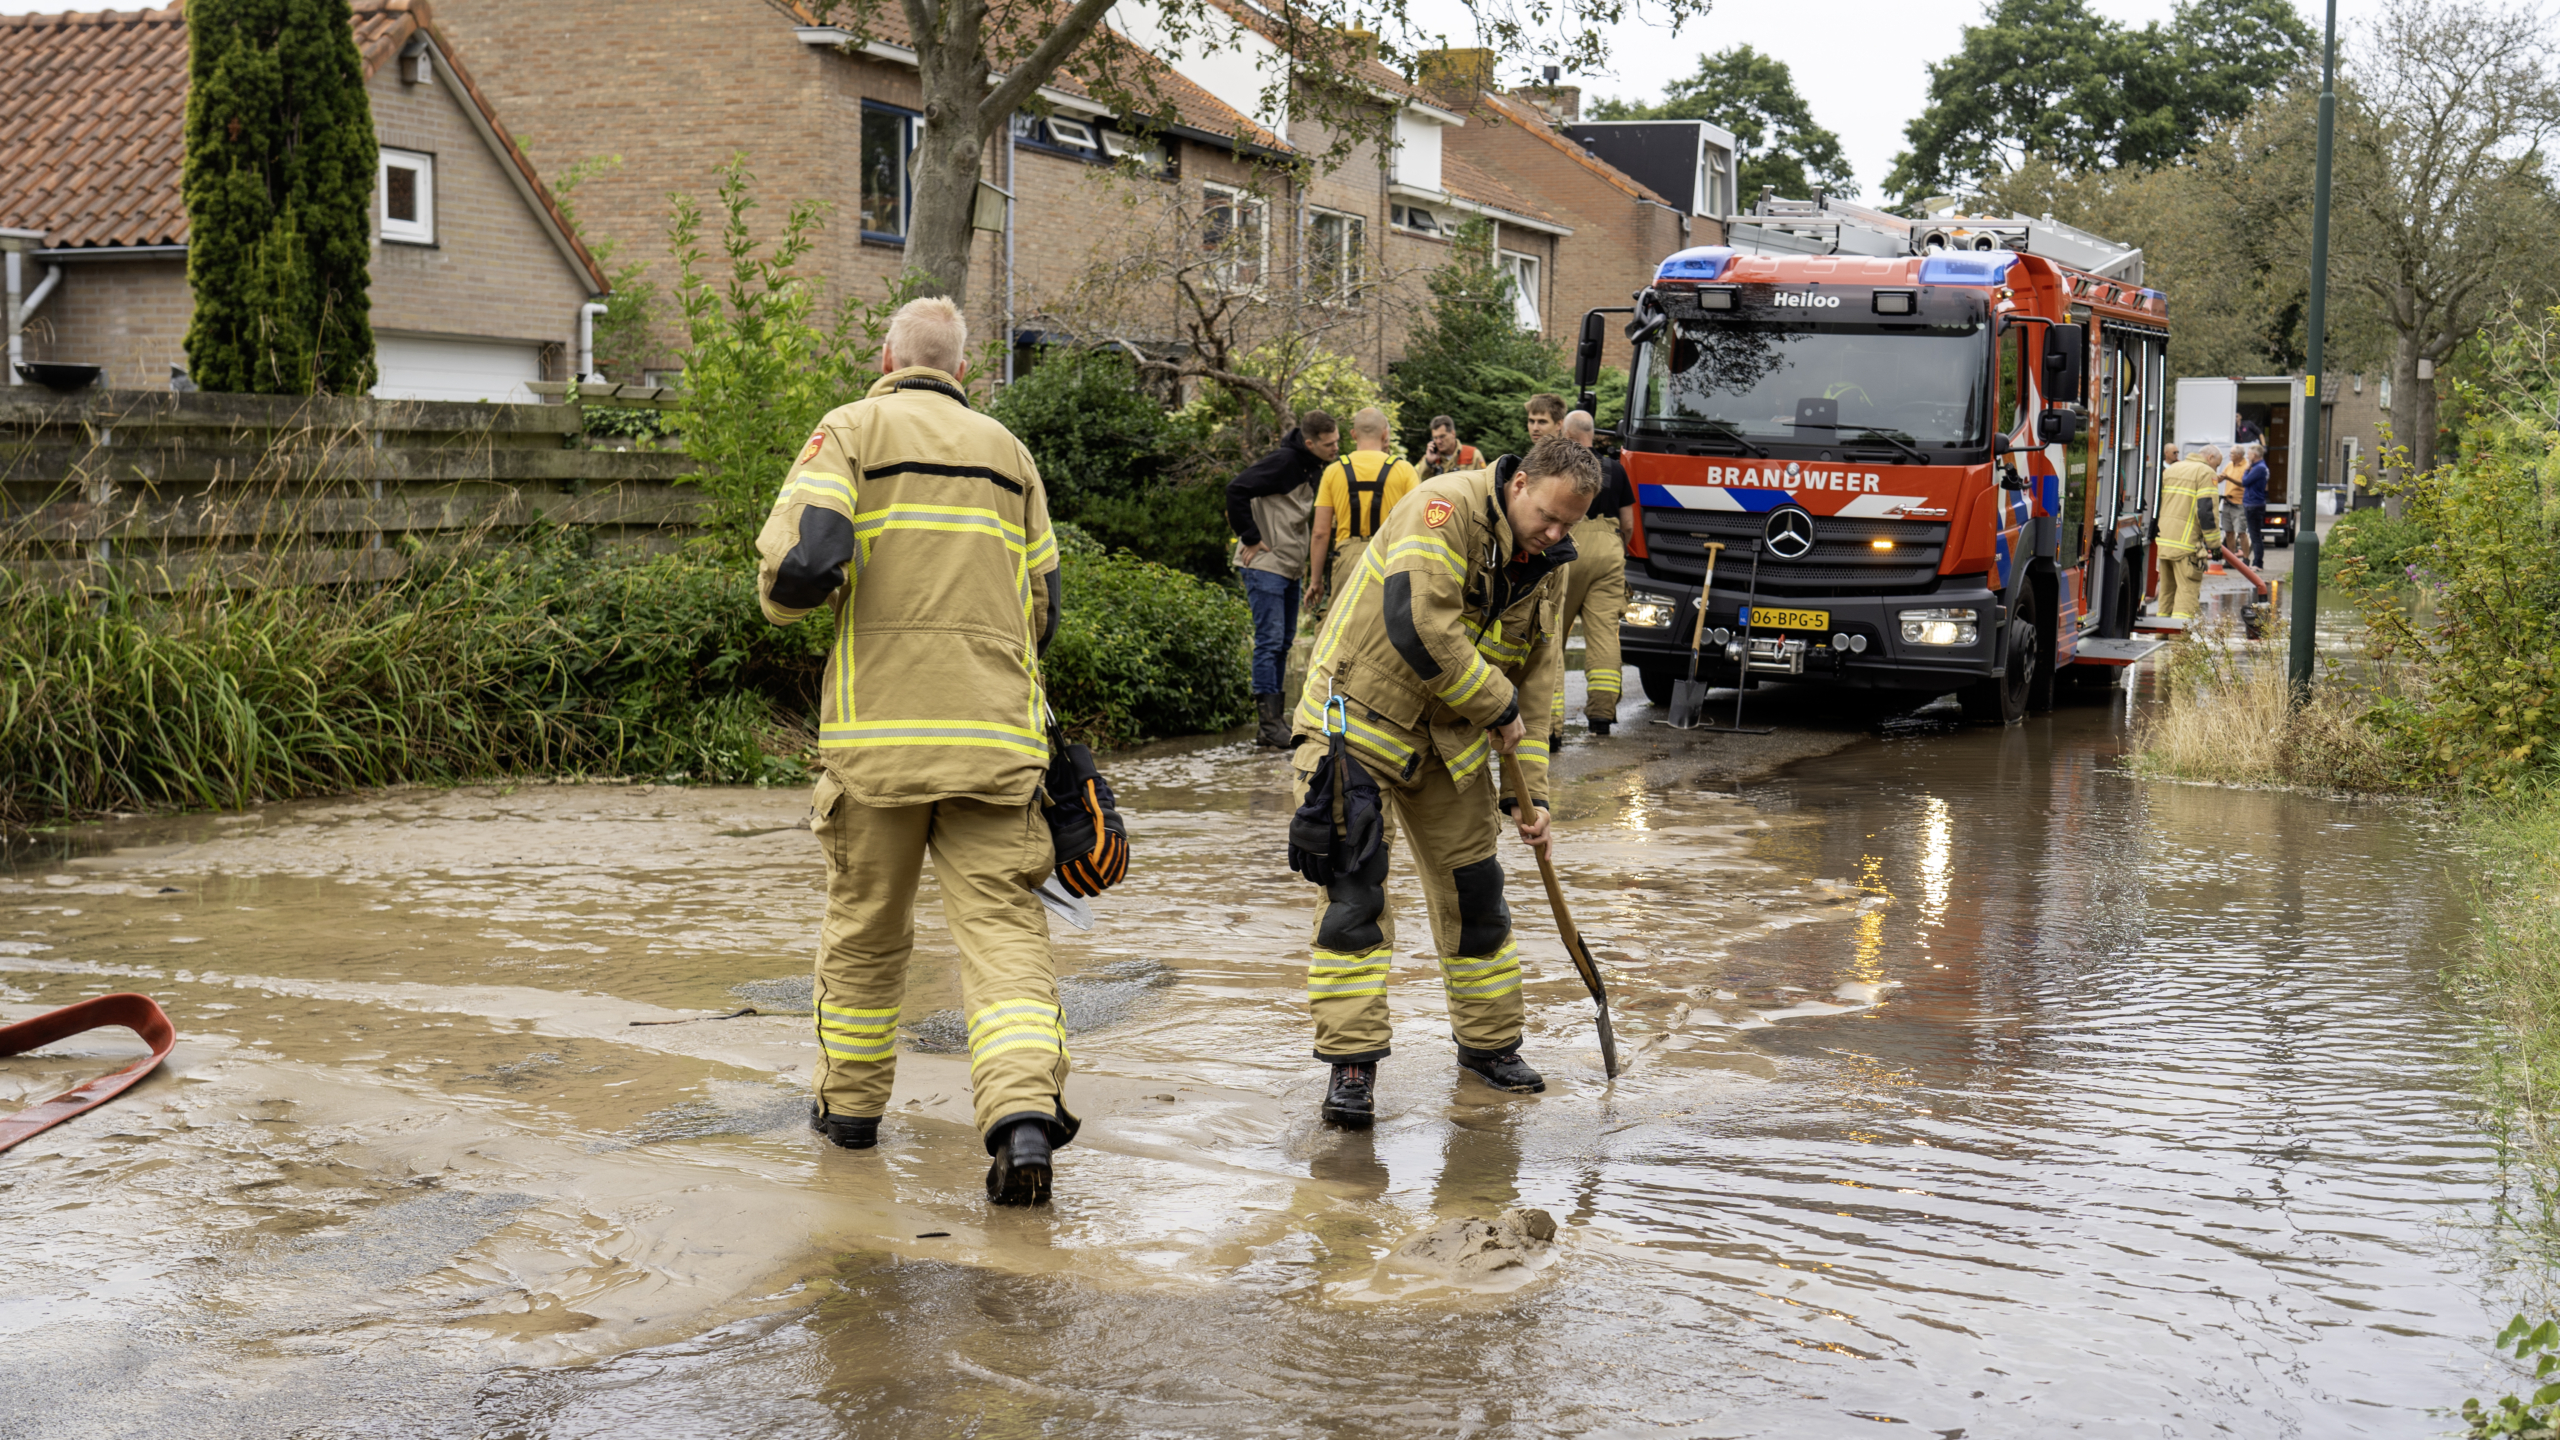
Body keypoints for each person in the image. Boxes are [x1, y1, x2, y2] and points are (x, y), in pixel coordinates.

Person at [755, 296, 1074, 1207]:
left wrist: (796, 604)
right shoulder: (1009, 454)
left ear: (887, 355)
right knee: (1005, 938)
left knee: (865, 932)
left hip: (877, 747)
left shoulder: (850, 429)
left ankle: (850, 1116)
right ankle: (1021, 1121)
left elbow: (801, 565)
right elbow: (1045, 606)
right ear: (965, 371)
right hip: (994, 741)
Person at [1288, 434, 1605, 1128]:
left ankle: (1489, 1048)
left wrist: (1537, 796)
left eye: (1568, 526)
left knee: (1477, 894)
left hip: (1449, 742)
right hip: (1357, 725)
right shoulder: (1441, 509)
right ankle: (1352, 1065)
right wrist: (1497, 704)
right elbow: (1418, 625)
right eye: (1548, 517)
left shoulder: (1548, 564)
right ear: (1519, 483)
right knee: (1355, 899)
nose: (1554, 534)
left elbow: (1540, 681)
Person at [1227, 411, 1341, 748]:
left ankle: (1276, 722)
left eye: (1337, 440)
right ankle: (1268, 725)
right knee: (1270, 642)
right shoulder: (1285, 462)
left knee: (1284, 643)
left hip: (1288, 566)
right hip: (1265, 563)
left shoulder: (1312, 464)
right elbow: (1236, 489)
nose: (1336, 448)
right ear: (1310, 443)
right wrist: (1249, 536)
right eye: (1329, 444)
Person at [1554, 410, 1637, 739]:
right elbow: (1628, 523)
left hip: (1566, 547)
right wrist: (1616, 546)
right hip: (1608, 548)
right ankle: (1601, 716)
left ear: (1567, 433)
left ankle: (1550, 727)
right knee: (1604, 634)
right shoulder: (1615, 469)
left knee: (1552, 633)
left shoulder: (1560, 465)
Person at [1308, 407, 1419, 611]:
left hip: (1346, 559)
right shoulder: (1405, 471)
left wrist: (1316, 581)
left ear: (1353, 434)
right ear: (1385, 434)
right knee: (1386, 628)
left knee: (1342, 628)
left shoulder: (1334, 471)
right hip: (1389, 557)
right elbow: (1416, 526)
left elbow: (1320, 533)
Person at [2155, 442, 2221, 620]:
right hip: (2186, 544)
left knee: (2167, 590)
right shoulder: (2205, 472)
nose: (2217, 468)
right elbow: (2207, 511)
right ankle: (2180, 640)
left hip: (2164, 540)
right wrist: (2215, 545)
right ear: (2210, 458)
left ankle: (2162, 632)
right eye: (2218, 464)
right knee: (2187, 590)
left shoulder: (2172, 469)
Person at [1418, 415, 1480, 479]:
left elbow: (1483, 482)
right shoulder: (1429, 458)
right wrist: (1429, 463)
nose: (1439, 441)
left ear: (1453, 434)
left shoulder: (1473, 454)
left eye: (1442, 436)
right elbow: (1420, 482)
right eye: (1435, 438)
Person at [2217, 447, 2250, 559]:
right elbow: (2222, 477)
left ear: (2239, 455)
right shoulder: (2229, 465)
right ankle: (2231, 559)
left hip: (2239, 503)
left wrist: (2228, 478)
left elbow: (2244, 483)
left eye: (2231, 453)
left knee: (2241, 532)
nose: (2230, 455)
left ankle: (2246, 559)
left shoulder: (2246, 467)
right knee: (2228, 532)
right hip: (2227, 502)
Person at [2241, 442, 2270, 568]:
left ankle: (2258, 563)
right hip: (2255, 503)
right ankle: (2258, 562)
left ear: (2254, 455)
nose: (2247, 457)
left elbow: (2245, 481)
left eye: (2248, 454)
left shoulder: (2258, 468)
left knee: (2255, 536)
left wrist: (2246, 470)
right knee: (2255, 535)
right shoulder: (2262, 467)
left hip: (2253, 504)